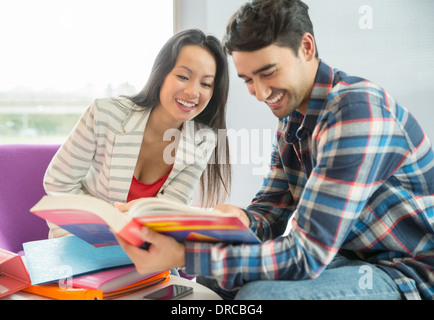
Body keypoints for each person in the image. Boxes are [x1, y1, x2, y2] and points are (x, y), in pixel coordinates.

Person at [115, 0, 434, 300]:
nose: (260, 92)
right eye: (248, 80)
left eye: (268, 73)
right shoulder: (292, 121)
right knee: (220, 278)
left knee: (260, 295)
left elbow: (306, 255)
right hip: (348, 258)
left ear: (306, 47)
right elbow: (270, 213)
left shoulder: (357, 110)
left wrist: (186, 256)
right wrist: (235, 220)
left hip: (407, 269)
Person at [44, 29, 231, 238]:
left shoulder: (202, 141)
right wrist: (106, 229)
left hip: (145, 250)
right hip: (82, 241)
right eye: (183, 76)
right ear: (161, 74)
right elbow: (59, 182)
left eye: (206, 84)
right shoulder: (105, 113)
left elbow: (171, 213)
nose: (193, 92)